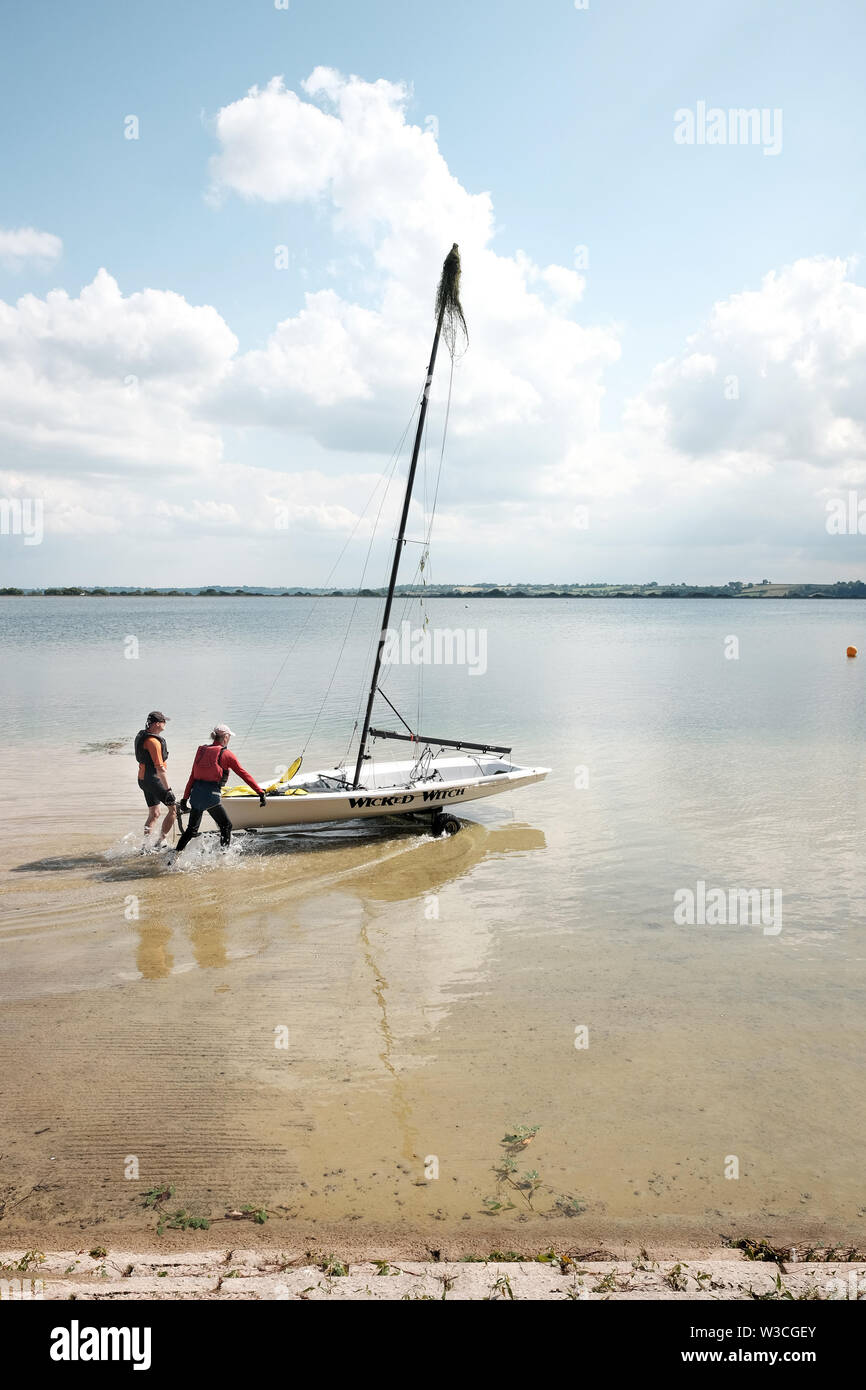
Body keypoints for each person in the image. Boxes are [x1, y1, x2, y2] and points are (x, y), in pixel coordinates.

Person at [174, 723, 266, 854]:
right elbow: (243, 774)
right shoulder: (227, 754)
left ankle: (174, 858)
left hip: (196, 795)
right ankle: (223, 856)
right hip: (211, 797)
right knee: (226, 826)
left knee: (191, 830)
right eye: (229, 736)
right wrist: (260, 792)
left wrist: (184, 798)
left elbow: (192, 776)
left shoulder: (201, 752)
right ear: (226, 737)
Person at [135, 711, 177, 848]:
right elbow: (160, 769)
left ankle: (145, 845)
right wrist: (168, 790)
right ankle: (161, 842)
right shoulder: (153, 742)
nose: (165, 724)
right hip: (153, 779)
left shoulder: (142, 736)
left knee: (155, 813)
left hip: (143, 780)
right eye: (164, 722)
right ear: (158, 724)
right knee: (173, 810)